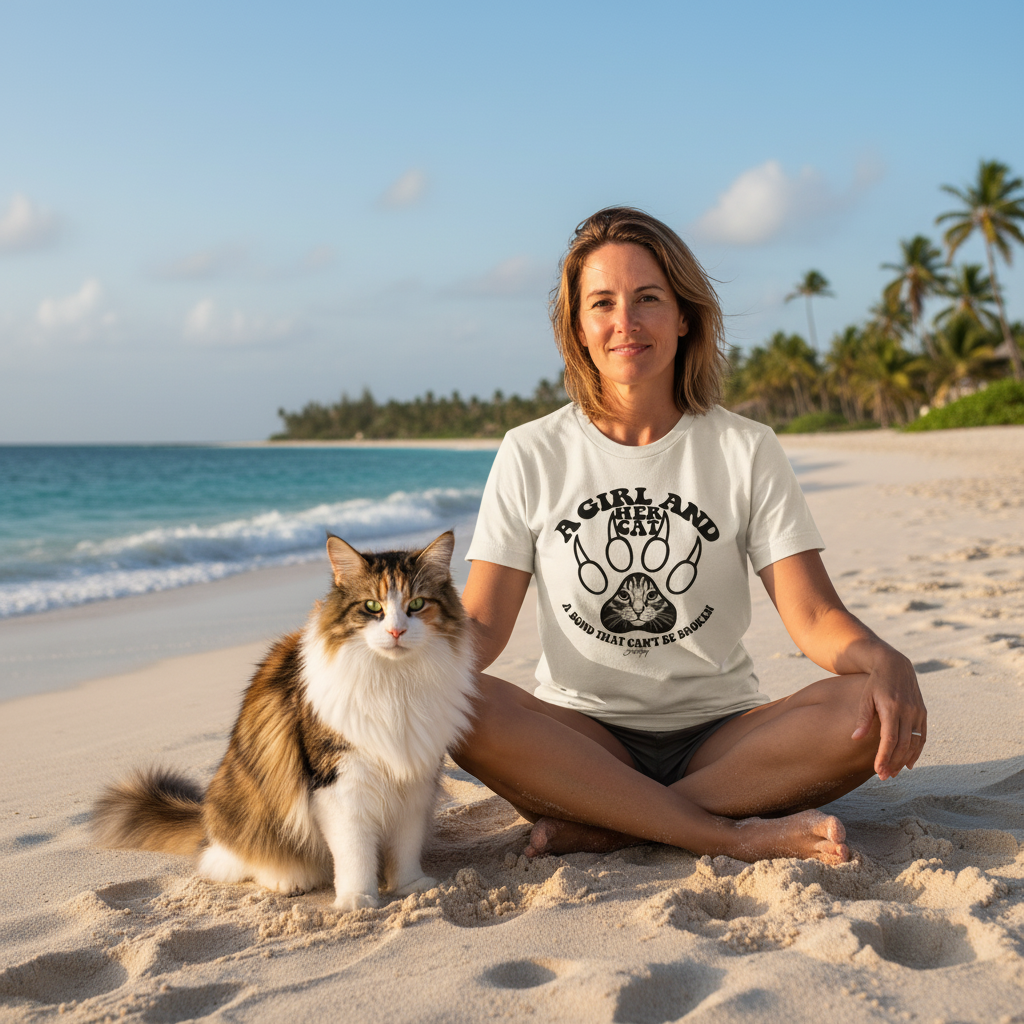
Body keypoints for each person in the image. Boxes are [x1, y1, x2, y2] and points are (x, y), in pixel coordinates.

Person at [450, 207, 927, 865]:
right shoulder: (530, 452)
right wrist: (386, 677)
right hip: (580, 740)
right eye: (603, 303)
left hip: (723, 739)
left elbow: (814, 615)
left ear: (684, 315)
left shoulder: (746, 448)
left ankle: (616, 820)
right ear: (578, 329)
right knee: (456, 700)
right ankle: (720, 832)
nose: (627, 322)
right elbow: (480, 622)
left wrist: (884, 659)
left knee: (868, 706)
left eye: (649, 298)